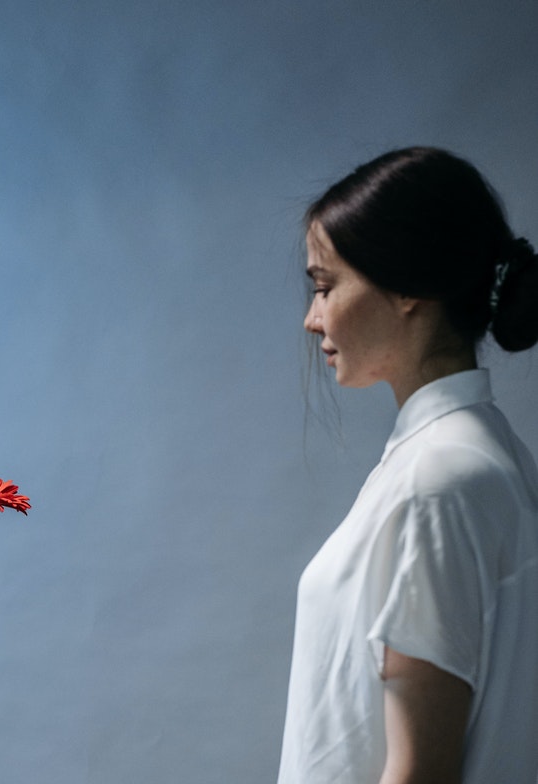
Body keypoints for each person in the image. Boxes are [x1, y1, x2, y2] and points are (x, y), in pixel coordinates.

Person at [277, 146, 538, 784]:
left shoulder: (438, 484)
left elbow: (421, 771)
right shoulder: (477, 456)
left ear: (407, 289)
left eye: (324, 286)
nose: (313, 319)